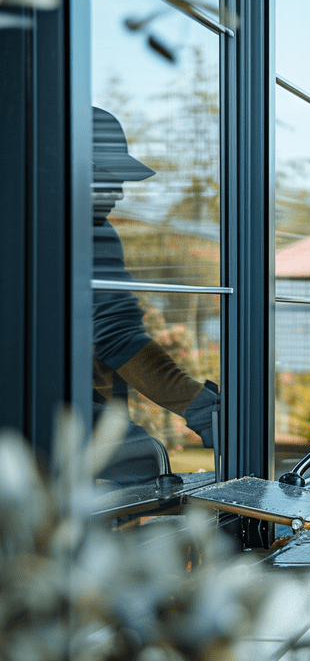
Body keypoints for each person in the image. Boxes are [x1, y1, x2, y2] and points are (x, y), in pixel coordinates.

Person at [92, 106, 219, 484]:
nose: (118, 190)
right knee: (141, 462)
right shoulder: (87, 237)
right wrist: (201, 407)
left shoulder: (71, 230)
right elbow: (116, 336)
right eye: (107, 176)